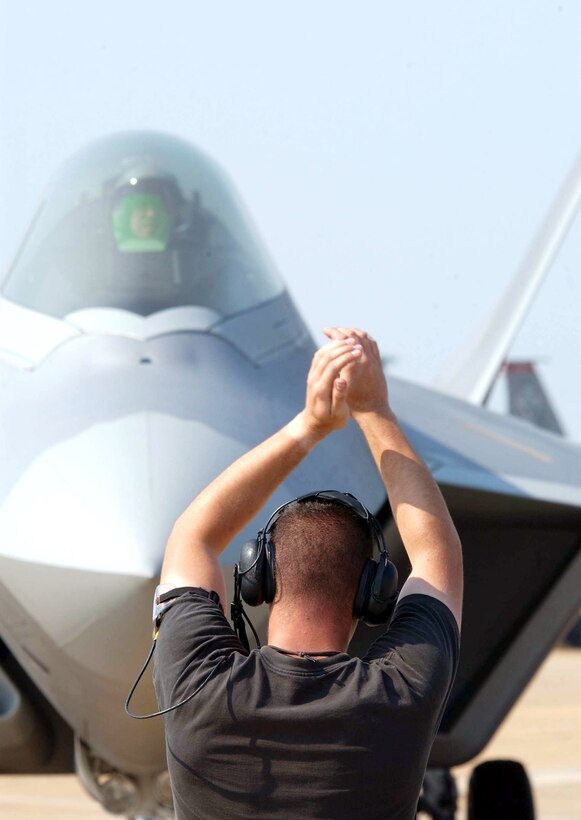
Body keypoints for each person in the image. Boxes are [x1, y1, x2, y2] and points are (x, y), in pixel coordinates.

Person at [153, 327, 462, 820]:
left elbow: (193, 536)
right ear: (371, 594)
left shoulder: (199, 684)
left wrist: (310, 425)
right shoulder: (402, 692)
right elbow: (435, 550)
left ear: (263, 578)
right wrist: (374, 410)